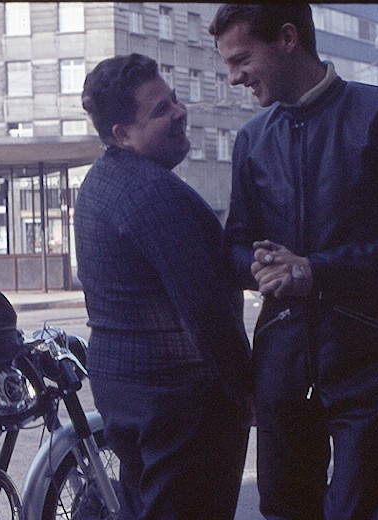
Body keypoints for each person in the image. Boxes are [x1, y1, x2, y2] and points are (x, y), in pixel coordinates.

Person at [209, 5, 378, 519]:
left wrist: (314, 269)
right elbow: (235, 246)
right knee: (285, 507)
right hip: (282, 360)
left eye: (241, 59)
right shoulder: (252, 139)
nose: (234, 78)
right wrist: (257, 266)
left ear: (288, 39)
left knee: (362, 510)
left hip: (367, 356)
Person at [75, 53, 252, 519]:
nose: (178, 112)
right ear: (122, 134)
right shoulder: (153, 192)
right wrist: (249, 393)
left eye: (172, 99)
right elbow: (205, 310)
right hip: (178, 403)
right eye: (160, 110)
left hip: (123, 392)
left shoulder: (98, 183)